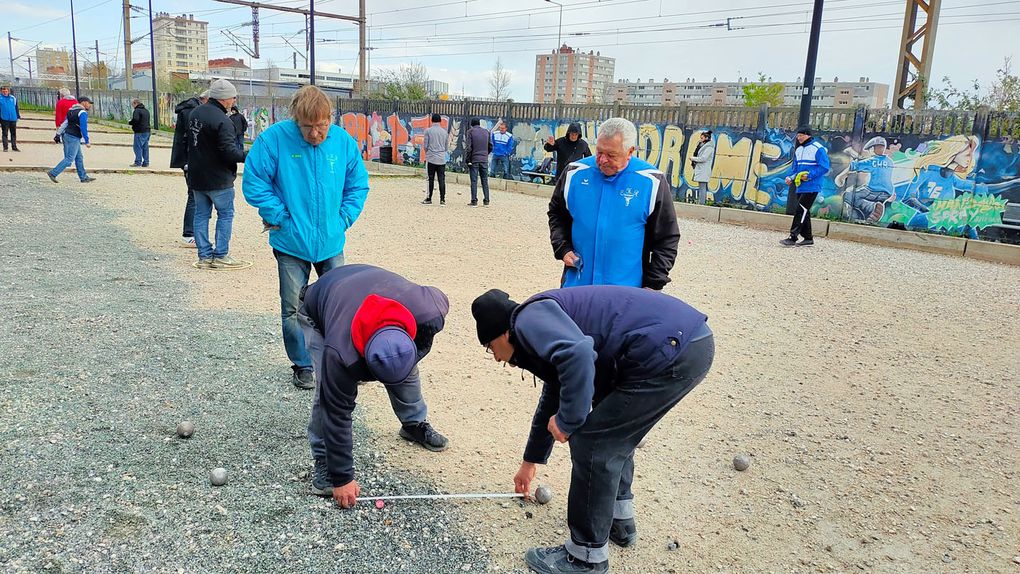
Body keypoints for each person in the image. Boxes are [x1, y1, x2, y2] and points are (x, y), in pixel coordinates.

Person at [471, 286, 714, 574]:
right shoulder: (539, 329)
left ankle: (586, 557)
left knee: (593, 442)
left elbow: (578, 353)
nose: (496, 358)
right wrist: (530, 462)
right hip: (685, 344)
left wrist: (569, 421)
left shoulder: (527, 319)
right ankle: (618, 520)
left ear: (503, 334)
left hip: (670, 348)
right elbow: (555, 393)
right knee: (612, 435)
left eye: (490, 348)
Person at [243, 85, 370, 390]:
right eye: (308, 127)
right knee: (292, 308)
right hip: (290, 242)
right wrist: (278, 216)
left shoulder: (342, 143)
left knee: (340, 304)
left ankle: (340, 361)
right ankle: (302, 363)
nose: (315, 134)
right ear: (296, 120)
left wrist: (343, 220)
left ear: (330, 118)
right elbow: (254, 181)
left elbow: (358, 186)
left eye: (321, 125)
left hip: (330, 240)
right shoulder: (274, 139)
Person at [299, 264, 451, 506]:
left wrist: (411, 357)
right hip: (318, 305)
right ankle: (324, 460)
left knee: (406, 371)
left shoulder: (428, 312)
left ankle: (413, 424)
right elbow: (336, 411)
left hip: (366, 283)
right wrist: (342, 477)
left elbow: (439, 297)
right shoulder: (339, 353)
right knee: (325, 393)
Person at [547, 117, 680, 289]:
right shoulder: (574, 173)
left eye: (611, 155)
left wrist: (653, 284)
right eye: (599, 152)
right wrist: (562, 247)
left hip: (626, 294)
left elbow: (667, 237)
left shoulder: (652, 181)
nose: (602, 160)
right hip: (576, 288)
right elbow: (557, 213)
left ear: (630, 151)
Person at [187, 79, 246, 269]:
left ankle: (204, 256)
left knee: (201, 215)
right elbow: (229, 152)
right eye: (233, 97)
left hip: (197, 175)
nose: (234, 101)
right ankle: (221, 254)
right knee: (225, 214)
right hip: (219, 178)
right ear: (225, 99)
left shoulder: (195, 113)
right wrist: (248, 155)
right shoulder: (223, 121)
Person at [170, 90, 208, 248]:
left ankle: (193, 231)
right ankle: (189, 233)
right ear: (205, 99)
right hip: (190, 160)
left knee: (194, 195)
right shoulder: (192, 112)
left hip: (187, 159)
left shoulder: (187, 109)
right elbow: (192, 138)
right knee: (193, 195)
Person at [781, 126, 830, 247]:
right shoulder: (798, 150)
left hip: (812, 185)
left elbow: (824, 167)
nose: (798, 138)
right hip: (800, 185)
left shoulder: (818, 148)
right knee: (804, 211)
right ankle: (808, 238)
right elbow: (795, 168)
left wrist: (809, 176)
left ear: (808, 135)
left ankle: (793, 237)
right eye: (797, 136)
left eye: (801, 135)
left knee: (800, 210)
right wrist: (790, 178)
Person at [843, 136, 894, 222]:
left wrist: (852, 156)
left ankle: (871, 207)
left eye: (870, 149)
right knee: (861, 200)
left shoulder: (872, 161)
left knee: (848, 195)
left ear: (874, 148)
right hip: (888, 192)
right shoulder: (889, 161)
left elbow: (855, 166)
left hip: (873, 190)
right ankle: (868, 215)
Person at [47, 97, 95, 183]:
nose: (90, 105)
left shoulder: (71, 110)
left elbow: (65, 123)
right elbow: (83, 128)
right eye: (89, 103)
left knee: (79, 157)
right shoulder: (82, 112)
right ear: (83, 103)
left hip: (67, 134)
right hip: (74, 136)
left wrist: (58, 134)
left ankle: (83, 177)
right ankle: (53, 173)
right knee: (70, 158)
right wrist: (87, 141)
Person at [464, 117, 492, 206]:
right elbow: (490, 146)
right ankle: (486, 200)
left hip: (474, 159)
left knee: (474, 181)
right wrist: (485, 154)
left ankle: (474, 200)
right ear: (479, 123)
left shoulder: (470, 132)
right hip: (484, 159)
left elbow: (469, 147)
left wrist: (468, 159)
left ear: (472, 124)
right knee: (484, 180)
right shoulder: (486, 132)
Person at [422, 113, 448, 205]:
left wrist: (428, 153)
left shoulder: (428, 131)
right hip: (441, 159)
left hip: (431, 158)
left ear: (431, 120)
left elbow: (425, 146)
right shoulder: (444, 132)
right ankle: (442, 199)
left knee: (430, 178)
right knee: (441, 179)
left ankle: (429, 198)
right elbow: (446, 147)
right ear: (440, 121)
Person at [690, 130, 715, 204]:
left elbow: (704, 158)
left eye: (702, 138)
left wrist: (693, 158)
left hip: (704, 170)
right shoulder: (704, 146)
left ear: (706, 138)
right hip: (701, 169)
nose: (700, 139)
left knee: (702, 187)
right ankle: (701, 203)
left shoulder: (709, 147)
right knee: (701, 187)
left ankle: (702, 204)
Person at [129, 98, 151, 167]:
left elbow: (135, 119)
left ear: (135, 103)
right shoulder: (146, 111)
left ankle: (138, 162)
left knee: (137, 147)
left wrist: (130, 122)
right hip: (147, 131)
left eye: (132, 104)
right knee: (145, 147)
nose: (132, 106)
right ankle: (146, 162)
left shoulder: (137, 111)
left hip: (139, 131)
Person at [0, 86, 20, 152]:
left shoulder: (13, 98)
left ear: (8, 91)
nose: (5, 92)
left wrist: (18, 116)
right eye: (3, 91)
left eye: (6, 91)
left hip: (13, 118)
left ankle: (14, 147)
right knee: (5, 133)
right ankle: (5, 147)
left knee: (13, 133)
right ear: (1, 91)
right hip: (4, 118)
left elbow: (16, 108)